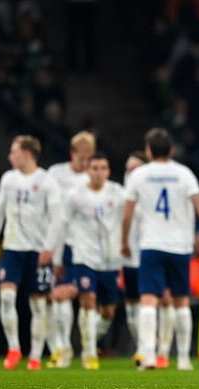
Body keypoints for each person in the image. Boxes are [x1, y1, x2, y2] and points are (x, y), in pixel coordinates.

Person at [122, 128, 199, 371]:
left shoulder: (139, 175)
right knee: (181, 301)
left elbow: (127, 213)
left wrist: (123, 242)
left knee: (148, 299)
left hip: (151, 244)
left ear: (149, 150)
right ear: (171, 150)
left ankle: (148, 356)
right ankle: (183, 358)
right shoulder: (183, 174)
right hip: (180, 246)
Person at [41, 152, 124, 370]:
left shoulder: (117, 193)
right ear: (88, 171)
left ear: (108, 171)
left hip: (110, 260)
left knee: (107, 311)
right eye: (94, 168)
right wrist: (54, 253)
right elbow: (61, 225)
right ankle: (88, 353)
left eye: (102, 168)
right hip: (84, 257)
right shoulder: (75, 195)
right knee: (87, 301)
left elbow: (134, 215)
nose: (98, 172)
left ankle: (90, 340)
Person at [0, 135, 61, 370]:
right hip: (12, 249)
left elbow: (58, 218)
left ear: (27, 153)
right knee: (7, 297)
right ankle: (14, 348)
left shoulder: (47, 181)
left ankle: (36, 356)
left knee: (38, 305)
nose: (10, 156)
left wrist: (49, 247)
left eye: (13, 151)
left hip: (37, 251)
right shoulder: (8, 179)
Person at [45, 131, 95, 367]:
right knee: (59, 295)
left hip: (86, 245)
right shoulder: (55, 174)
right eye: (82, 157)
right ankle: (63, 348)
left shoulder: (94, 178)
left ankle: (89, 349)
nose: (86, 163)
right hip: (61, 244)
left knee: (87, 297)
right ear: (72, 154)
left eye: (89, 158)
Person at [121, 151, 146, 365]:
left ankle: (154, 349)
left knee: (151, 303)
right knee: (131, 309)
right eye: (128, 169)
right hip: (127, 260)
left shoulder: (150, 197)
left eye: (135, 169)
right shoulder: (119, 196)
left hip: (149, 257)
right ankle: (141, 347)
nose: (130, 173)